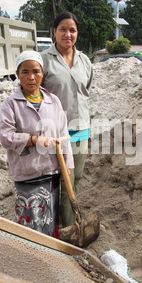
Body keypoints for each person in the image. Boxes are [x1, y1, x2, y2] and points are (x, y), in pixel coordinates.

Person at [0, 50, 74, 238]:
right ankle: (31, 259)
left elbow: (63, 134)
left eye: (36, 71)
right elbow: (5, 136)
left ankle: (51, 256)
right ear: (17, 74)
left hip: (52, 171)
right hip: (28, 173)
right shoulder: (11, 104)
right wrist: (33, 140)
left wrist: (68, 165)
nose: (31, 77)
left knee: (50, 219)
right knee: (31, 222)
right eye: (25, 72)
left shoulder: (53, 101)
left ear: (43, 73)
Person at [41, 12, 94, 228]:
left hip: (81, 128)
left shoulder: (84, 61)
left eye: (72, 30)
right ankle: (60, 225)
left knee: (76, 177)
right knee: (56, 179)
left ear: (77, 33)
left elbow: (86, 90)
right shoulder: (44, 60)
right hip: (54, 132)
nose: (67, 34)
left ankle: (67, 223)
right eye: (63, 29)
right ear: (54, 32)